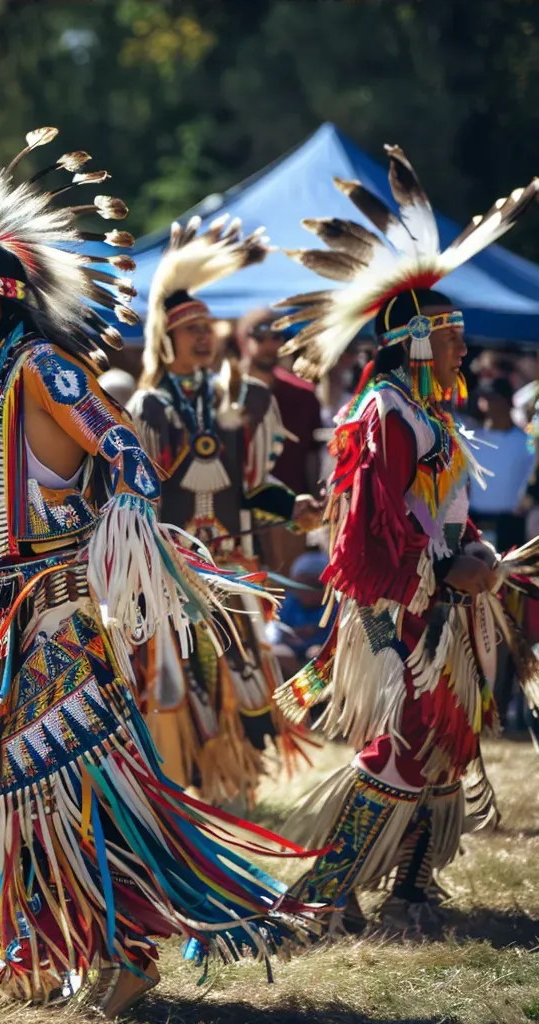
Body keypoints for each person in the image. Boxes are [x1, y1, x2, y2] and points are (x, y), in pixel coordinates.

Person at [0, 100, 319, 1015]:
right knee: (6, 793)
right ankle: (36, 958)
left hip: (52, 616)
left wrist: (126, 527)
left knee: (80, 783)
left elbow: (124, 449)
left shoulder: (43, 370)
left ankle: (127, 954)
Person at [273, 144, 538, 931]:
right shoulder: (384, 413)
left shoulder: (423, 412)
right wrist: (447, 570)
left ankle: (412, 883)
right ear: (417, 341)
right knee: (407, 742)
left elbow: (434, 512)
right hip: (401, 609)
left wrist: (470, 562)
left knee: (446, 742)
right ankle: (326, 886)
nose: (462, 348)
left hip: (440, 602)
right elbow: (364, 530)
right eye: (450, 335)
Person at [127, 217, 320, 803]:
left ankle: (234, 779)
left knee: (241, 669)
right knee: (174, 675)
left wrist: (295, 506)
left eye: (208, 326)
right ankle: (178, 782)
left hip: (233, 567)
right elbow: (137, 498)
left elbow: (256, 488)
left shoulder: (245, 400)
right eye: (190, 328)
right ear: (167, 338)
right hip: (171, 570)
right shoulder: (149, 408)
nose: (203, 336)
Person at [237, 308, 323, 574]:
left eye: (277, 336)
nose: (269, 344)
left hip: (288, 510)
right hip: (236, 514)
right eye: (259, 334)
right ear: (242, 338)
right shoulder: (222, 395)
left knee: (284, 589)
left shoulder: (303, 396)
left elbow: (311, 455)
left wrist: (312, 503)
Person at [468, 376, 533, 552]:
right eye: (485, 397)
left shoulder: (525, 442)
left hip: (510, 525)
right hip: (474, 522)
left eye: (493, 397)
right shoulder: (470, 441)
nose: (488, 402)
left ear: (507, 402)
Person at [265, 550, 332, 682]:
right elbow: (273, 631)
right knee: (274, 653)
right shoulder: (290, 603)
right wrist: (292, 635)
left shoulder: (334, 606)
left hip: (323, 656)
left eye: (311, 585)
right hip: (293, 656)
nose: (305, 591)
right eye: (301, 585)